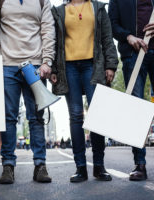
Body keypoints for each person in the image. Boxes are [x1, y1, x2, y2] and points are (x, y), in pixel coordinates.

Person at [51, 0, 118, 183]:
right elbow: (55, 43)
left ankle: (99, 166)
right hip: (69, 68)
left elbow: (107, 38)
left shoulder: (97, 7)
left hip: (93, 65)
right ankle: (80, 167)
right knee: (75, 115)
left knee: (96, 116)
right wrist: (54, 69)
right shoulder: (58, 11)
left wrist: (111, 65)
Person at [0, 0, 55, 184]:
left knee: (36, 118)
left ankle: (40, 165)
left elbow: (48, 30)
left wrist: (47, 60)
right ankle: (8, 166)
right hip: (7, 65)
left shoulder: (43, 1)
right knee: (8, 118)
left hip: (35, 65)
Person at [109, 0, 154, 181]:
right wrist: (128, 37)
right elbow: (112, 24)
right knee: (135, 109)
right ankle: (140, 164)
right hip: (133, 54)